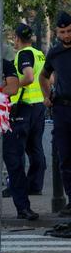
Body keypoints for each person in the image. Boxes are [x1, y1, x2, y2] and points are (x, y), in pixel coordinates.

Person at [2, 24, 45, 220]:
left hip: (23, 107)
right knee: (35, 149)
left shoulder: (24, 55)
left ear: (17, 39)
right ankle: (35, 185)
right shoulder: (39, 54)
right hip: (38, 107)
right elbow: (49, 80)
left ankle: (18, 192)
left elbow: (28, 77)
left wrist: (10, 85)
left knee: (15, 153)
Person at [40, 12, 71, 215]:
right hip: (63, 109)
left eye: (69, 31)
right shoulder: (55, 52)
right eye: (62, 32)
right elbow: (43, 76)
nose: (67, 35)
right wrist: (46, 96)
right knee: (65, 156)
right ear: (56, 32)